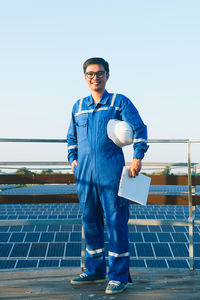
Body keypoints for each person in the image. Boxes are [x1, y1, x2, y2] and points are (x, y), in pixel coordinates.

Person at [67, 57, 149, 295]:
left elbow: (140, 128)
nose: (95, 77)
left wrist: (137, 156)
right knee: (89, 220)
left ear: (107, 76)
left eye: (100, 73)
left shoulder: (118, 101)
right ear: (85, 77)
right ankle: (94, 270)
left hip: (111, 171)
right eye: (90, 74)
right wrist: (73, 160)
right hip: (84, 175)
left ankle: (119, 276)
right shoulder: (78, 106)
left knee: (115, 222)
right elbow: (71, 138)